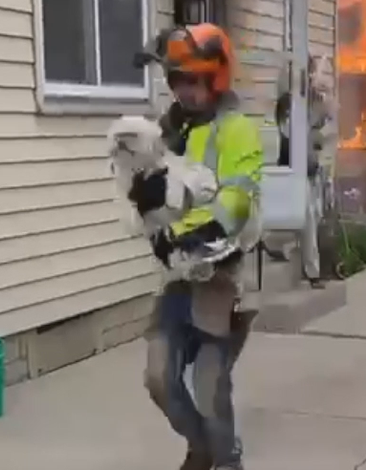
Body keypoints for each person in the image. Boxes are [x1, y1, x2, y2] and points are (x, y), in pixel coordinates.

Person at [129, 23, 263, 470]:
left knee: (208, 386)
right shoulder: (168, 132)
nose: (183, 90)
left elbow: (237, 197)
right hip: (180, 276)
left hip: (223, 278)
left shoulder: (236, 129)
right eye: (176, 81)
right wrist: (144, 201)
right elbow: (150, 192)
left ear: (216, 77)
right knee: (158, 378)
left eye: (192, 80)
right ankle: (203, 449)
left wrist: (201, 232)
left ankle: (225, 462)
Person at [273, 55, 336, 289]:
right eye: (310, 74)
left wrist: (324, 102)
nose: (312, 78)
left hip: (311, 170)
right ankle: (313, 273)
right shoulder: (287, 106)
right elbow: (294, 134)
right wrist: (313, 129)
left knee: (316, 215)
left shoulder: (311, 103)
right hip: (292, 171)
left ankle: (286, 247)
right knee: (308, 217)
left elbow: (326, 125)